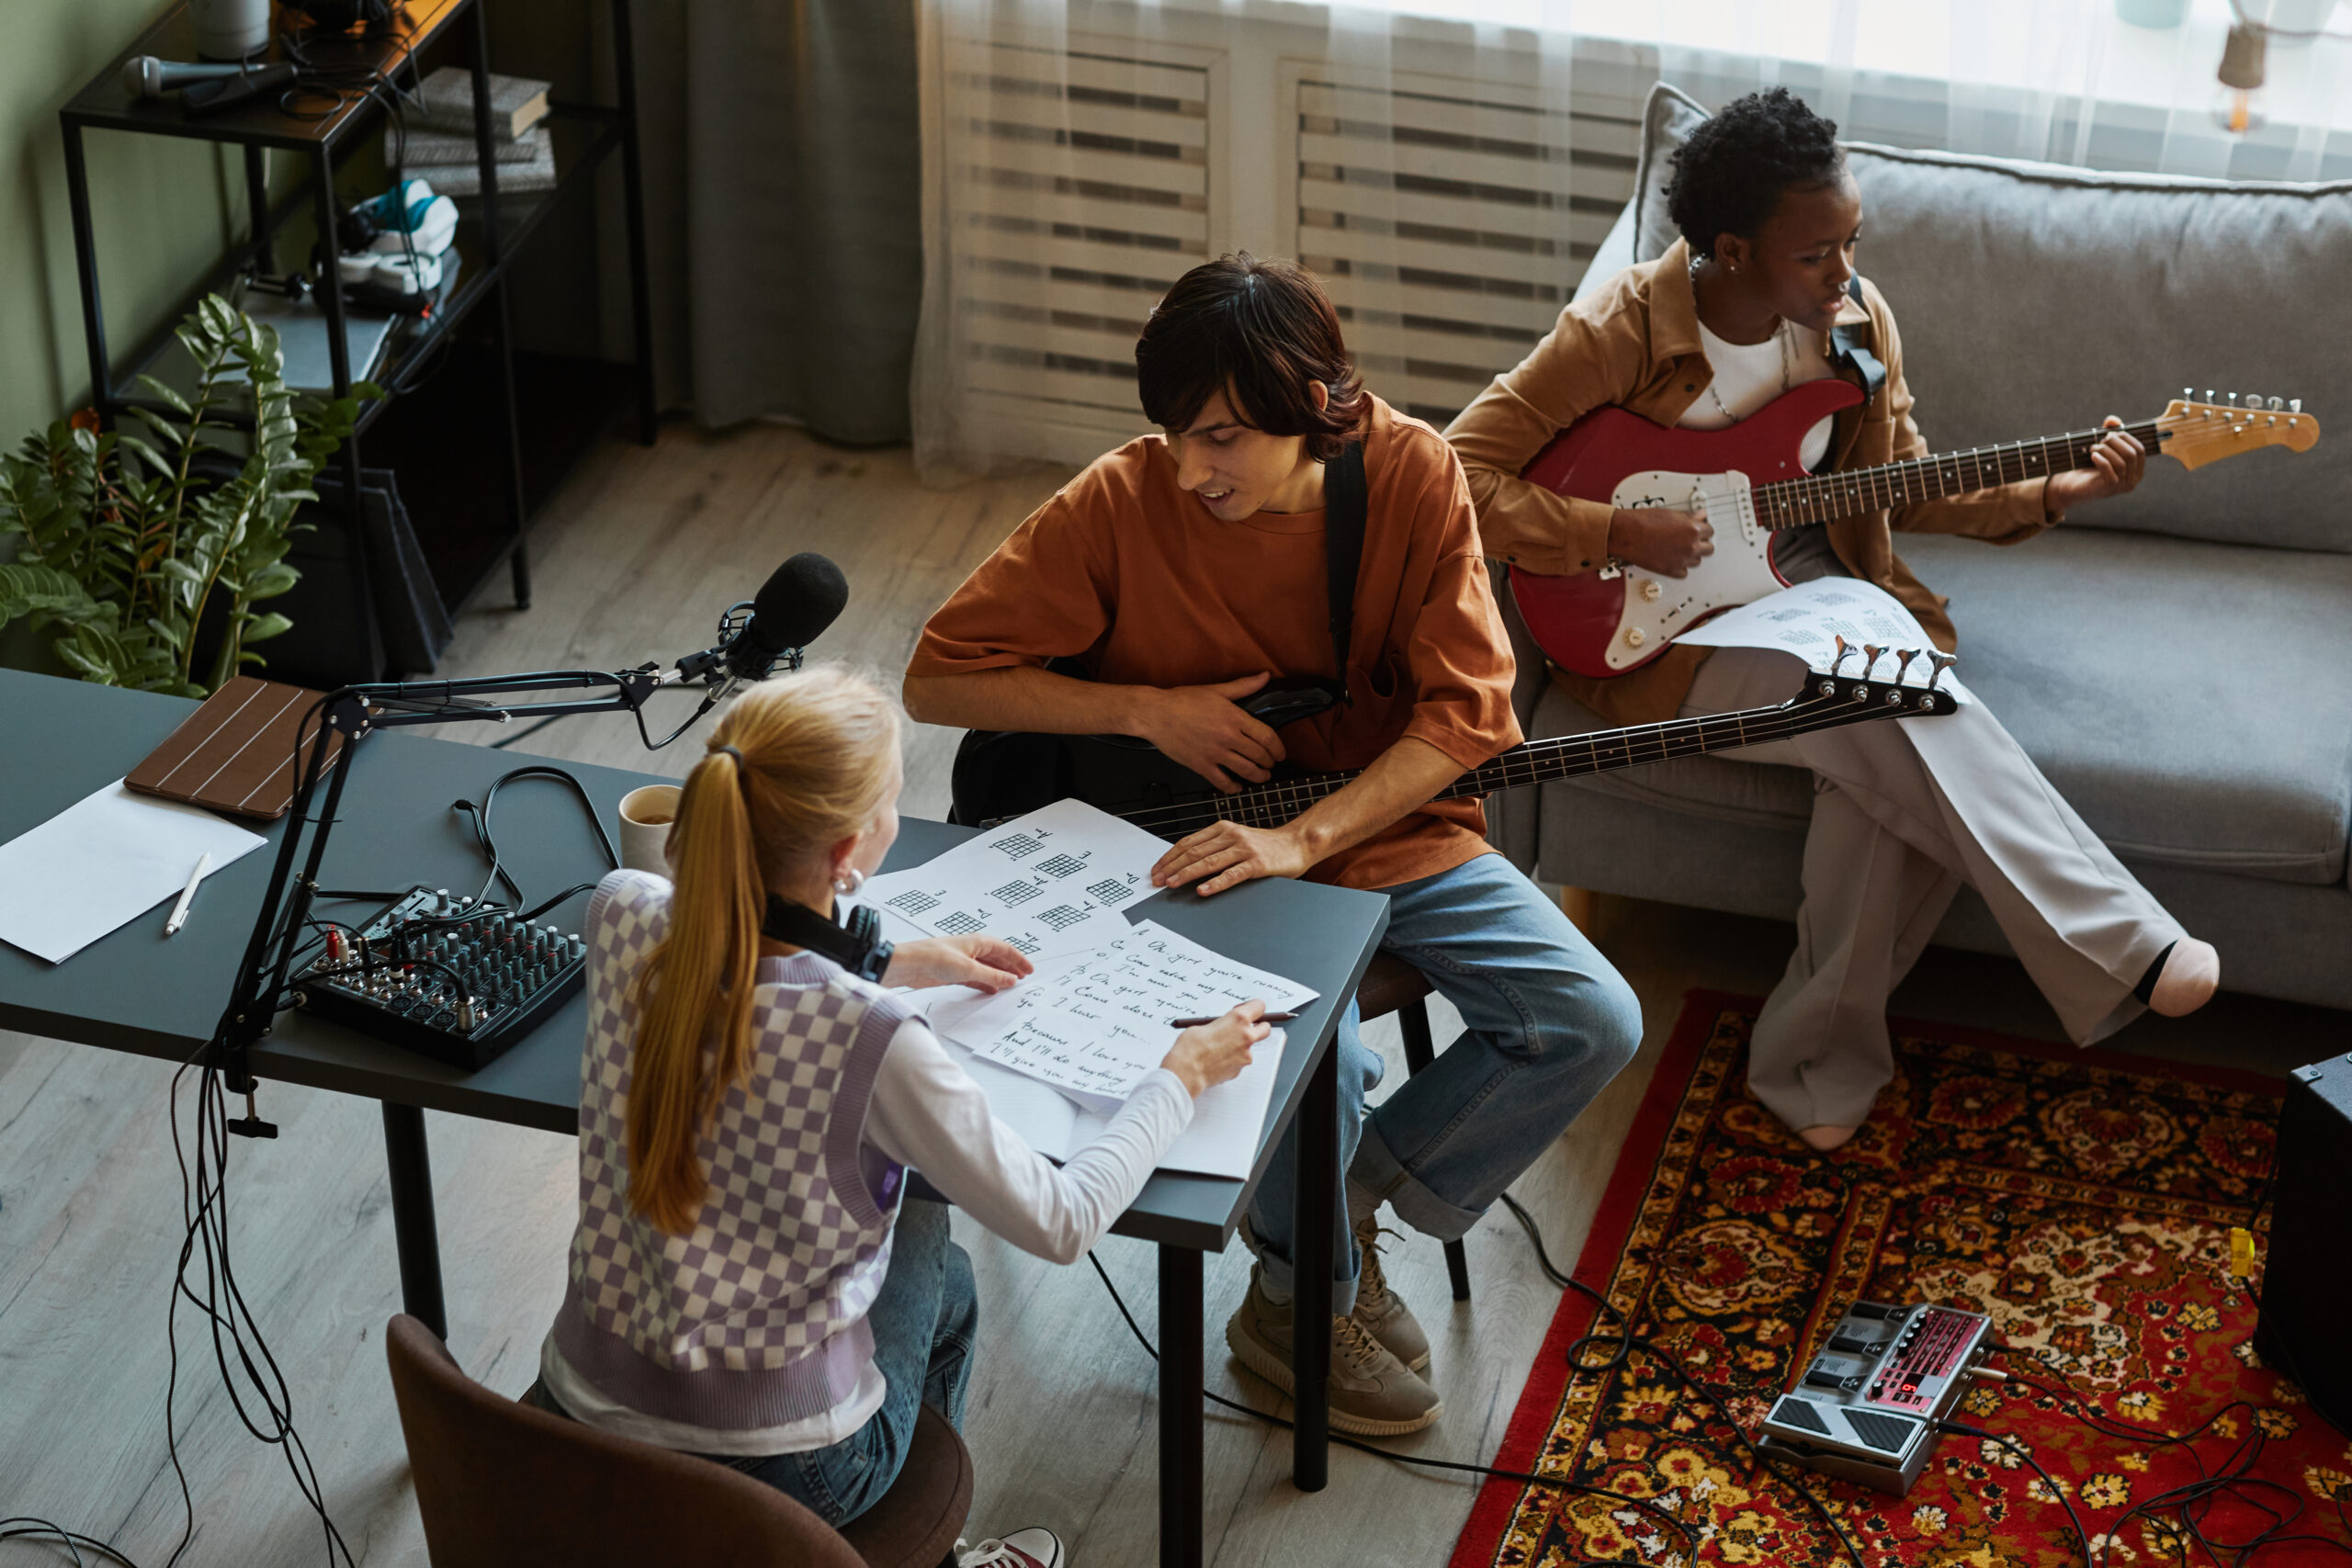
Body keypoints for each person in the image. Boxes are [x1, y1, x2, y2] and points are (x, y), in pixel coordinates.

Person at [903, 254, 1644, 1437]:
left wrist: (1304, 838)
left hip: (1379, 825)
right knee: (1322, 1069)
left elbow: (1468, 717)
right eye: (1174, 434)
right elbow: (937, 677)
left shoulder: (1412, 475)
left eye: (1222, 438)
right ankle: (1300, 1302)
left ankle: (1329, 1227)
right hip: (1193, 856)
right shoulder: (1122, 497)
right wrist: (1145, 711)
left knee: (1590, 1018)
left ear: (1311, 405)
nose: (1189, 469)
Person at [1444, 87, 2220, 1152]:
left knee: (1881, 731)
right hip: (1653, 628)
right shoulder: (1620, 329)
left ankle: (1813, 1071)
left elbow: (1902, 484)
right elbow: (1453, 472)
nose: (1843, 273)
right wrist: (1612, 531)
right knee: (1890, 694)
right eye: (1815, 253)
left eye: (1852, 242)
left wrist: (2056, 492)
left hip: (1803, 583)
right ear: (1729, 250)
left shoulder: (1855, 324)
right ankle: (2122, 943)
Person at [525, 664, 1269, 1568]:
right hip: (788, 1469)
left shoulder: (621, 911)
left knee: (906, 1233)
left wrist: (895, 958)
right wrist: (1179, 1077)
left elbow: (744, 957)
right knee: (942, 1273)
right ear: (849, 853)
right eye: (890, 805)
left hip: (576, 1412)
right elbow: (1062, 1220)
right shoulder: (869, 1037)